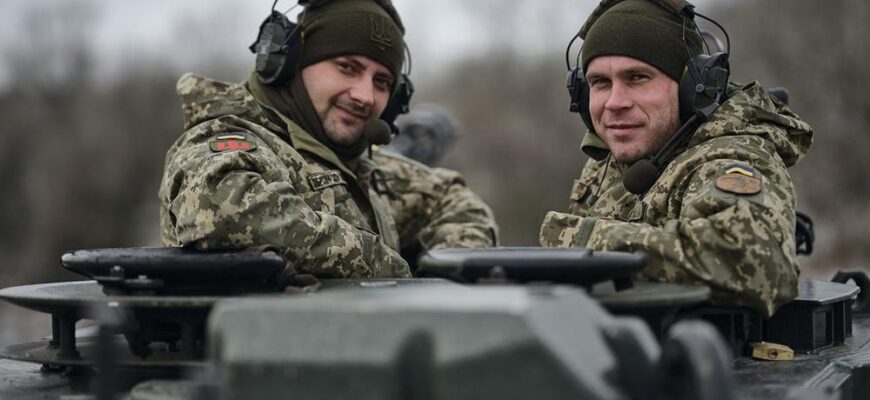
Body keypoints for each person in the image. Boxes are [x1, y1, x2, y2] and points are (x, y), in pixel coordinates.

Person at [158, 0, 497, 281]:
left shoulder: (361, 167)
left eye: (381, 82)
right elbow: (224, 208)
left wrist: (444, 277)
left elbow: (452, 200)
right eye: (347, 67)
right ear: (290, 63)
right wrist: (390, 272)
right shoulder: (228, 139)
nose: (365, 96)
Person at [539, 0, 812, 317]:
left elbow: (752, 262)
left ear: (691, 89)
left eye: (637, 78)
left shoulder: (732, 156)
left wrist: (584, 241)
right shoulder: (611, 162)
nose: (614, 103)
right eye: (600, 82)